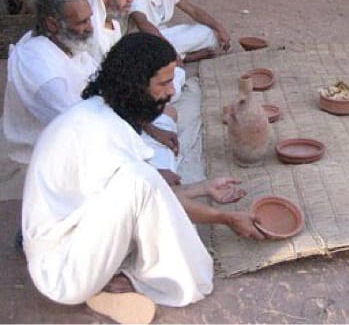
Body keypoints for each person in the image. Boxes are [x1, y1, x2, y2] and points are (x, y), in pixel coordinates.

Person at [22, 33, 265, 324]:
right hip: (62, 271)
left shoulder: (105, 111)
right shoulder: (97, 129)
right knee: (140, 179)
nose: (170, 92)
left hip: (77, 240)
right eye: (163, 83)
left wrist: (202, 188)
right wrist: (226, 218)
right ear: (136, 84)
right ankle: (115, 285)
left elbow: (151, 195)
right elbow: (146, 191)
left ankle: (114, 280)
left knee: (142, 179)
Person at [77, 0, 185, 181]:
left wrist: (152, 128)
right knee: (163, 154)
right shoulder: (90, 37)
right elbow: (112, 95)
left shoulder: (115, 26)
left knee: (174, 83)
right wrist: (151, 129)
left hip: (125, 108)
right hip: (112, 118)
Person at [2, 0, 97, 165]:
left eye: (89, 19)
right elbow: (75, 120)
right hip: (35, 162)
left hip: (72, 143)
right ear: (52, 24)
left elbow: (101, 83)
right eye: (81, 22)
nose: (90, 28)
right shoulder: (37, 63)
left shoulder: (68, 43)